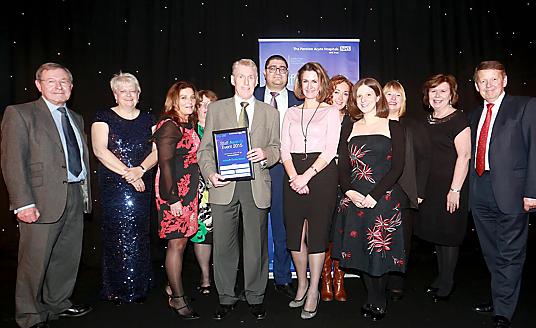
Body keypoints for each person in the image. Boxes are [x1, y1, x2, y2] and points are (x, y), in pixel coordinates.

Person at [1, 62, 92, 328]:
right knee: (34, 260)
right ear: (39, 85)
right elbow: (12, 161)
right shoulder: (20, 114)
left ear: (71, 87)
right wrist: (22, 202)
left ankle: (58, 303)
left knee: (66, 256)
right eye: (51, 81)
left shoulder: (76, 117)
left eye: (64, 81)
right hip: (39, 199)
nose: (59, 86)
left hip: (74, 193)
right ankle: (29, 315)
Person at [197, 59, 280, 321]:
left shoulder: (270, 112)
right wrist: (210, 173)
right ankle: (226, 297)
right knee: (223, 245)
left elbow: (277, 148)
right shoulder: (217, 109)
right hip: (224, 185)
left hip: (256, 184)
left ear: (257, 80)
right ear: (232, 80)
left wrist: (265, 153)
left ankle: (255, 297)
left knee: (256, 245)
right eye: (240, 76)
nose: (245, 81)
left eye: (250, 77)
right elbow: (205, 149)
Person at [333, 77, 406, 321]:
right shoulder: (348, 126)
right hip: (353, 197)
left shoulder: (393, 126)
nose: (363, 100)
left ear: (378, 97)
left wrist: (374, 195)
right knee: (361, 249)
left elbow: (397, 168)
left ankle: (379, 299)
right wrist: (350, 192)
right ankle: (370, 296)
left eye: (368, 95)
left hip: (382, 197)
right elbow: (342, 166)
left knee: (379, 249)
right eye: (359, 96)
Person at [469, 61, 536, 328]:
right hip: (481, 190)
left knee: (510, 252)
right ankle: (500, 298)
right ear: (476, 85)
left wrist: (532, 191)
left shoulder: (525, 106)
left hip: (514, 193)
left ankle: (503, 311)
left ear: (504, 80)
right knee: (491, 251)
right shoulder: (475, 114)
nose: (488, 85)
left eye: (493, 79)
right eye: (482, 81)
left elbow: (535, 150)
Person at [91, 72, 157, 304]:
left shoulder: (149, 118)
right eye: (123, 91)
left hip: (142, 181)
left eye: (133, 91)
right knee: (117, 235)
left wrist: (140, 169)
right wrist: (129, 174)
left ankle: (140, 285)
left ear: (139, 94)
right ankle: (117, 288)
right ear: (115, 94)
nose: (129, 95)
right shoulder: (103, 116)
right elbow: (100, 150)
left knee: (140, 233)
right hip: (115, 185)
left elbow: (157, 152)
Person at [281, 62, 340, 320]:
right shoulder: (291, 113)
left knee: (316, 234)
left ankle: (314, 289)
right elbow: (284, 149)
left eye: (314, 81)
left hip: (321, 175)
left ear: (322, 83)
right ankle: (302, 284)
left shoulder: (331, 112)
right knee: (295, 235)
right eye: (305, 81)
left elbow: (329, 150)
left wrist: (307, 176)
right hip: (293, 175)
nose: (309, 86)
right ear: (299, 84)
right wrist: (295, 177)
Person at [414, 74, 471, 302]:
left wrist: (455, 189)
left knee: (448, 234)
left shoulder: (458, 119)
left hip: (450, 186)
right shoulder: (427, 119)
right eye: (433, 91)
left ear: (452, 95)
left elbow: (464, 156)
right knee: (438, 234)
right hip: (431, 187)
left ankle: (448, 282)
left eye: (443, 91)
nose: (437, 96)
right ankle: (441, 276)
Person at [253, 54, 301, 299]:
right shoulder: (250, 97)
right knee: (254, 228)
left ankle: (282, 278)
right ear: (264, 72)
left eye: (282, 69)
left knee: (282, 226)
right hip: (254, 169)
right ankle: (254, 280)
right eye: (273, 68)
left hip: (285, 170)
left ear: (288, 74)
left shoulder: (298, 100)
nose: (278, 73)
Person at [153, 81, 201, 320]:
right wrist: (173, 198)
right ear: (173, 100)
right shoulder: (169, 125)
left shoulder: (186, 123)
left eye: (192, 97)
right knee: (177, 244)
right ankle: (177, 298)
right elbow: (165, 164)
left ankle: (172, 287)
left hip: (188, 191)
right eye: (184, 98)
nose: (189, 102)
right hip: (173, 193)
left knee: (182, 242)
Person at [383, 80, 431, 301]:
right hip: (378, 191)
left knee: (401, 240)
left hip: (406, 190)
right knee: (380, 237)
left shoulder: (414, 126)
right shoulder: (373, 123)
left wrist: (419, 191)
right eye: (388, 94)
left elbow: (423, 160)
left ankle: (396, 283)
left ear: (403, 100)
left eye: (397, 95)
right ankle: (379, 279)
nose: (392, 99)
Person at [321, 74, 353, 302]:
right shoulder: (318, 116)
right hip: (322, 180)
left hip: (347, 184)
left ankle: (339, 279)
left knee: (341, 230)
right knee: (323, 230)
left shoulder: (354, 120)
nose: (340, 97)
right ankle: (325, 278)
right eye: (336, 91)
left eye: (345, 93)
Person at [190, 89, 218, 295]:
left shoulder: (222, 128)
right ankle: (205, 276)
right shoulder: (188, 130)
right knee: (202, 235)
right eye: (202, 103)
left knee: (224, 235)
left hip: (221, 187)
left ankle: (223, 276)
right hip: (196, 192)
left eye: (211, 103)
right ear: (196, 107)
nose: (206, 108)